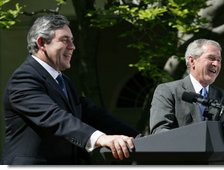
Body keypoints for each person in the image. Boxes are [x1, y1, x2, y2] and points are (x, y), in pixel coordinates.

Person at [1, 14, 139, 165]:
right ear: (41, 43)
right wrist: (100, 138)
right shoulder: (23, 79)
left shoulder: (63, 81)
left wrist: (140, 138)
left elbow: (93, 114)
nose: (72, 47)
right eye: (65, 40)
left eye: (72, 41)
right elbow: (53, 117)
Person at [149, 39, 224, 134]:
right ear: (192, 61)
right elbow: (160, 131)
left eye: (219, 60)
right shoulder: (168, 91)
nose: (216, 64)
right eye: (211, 58)